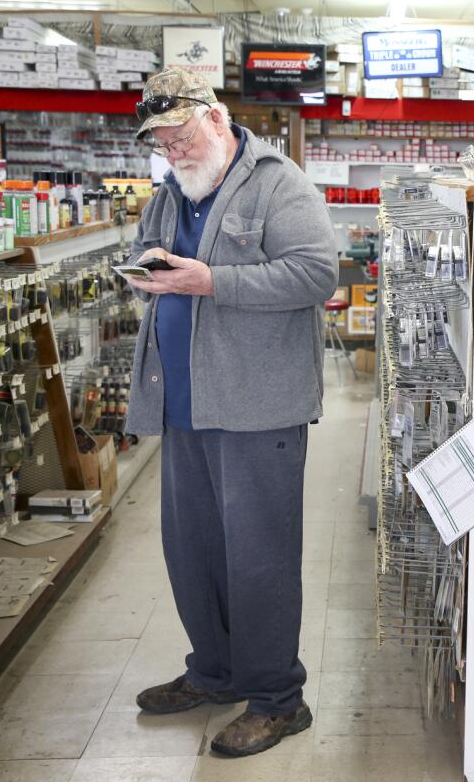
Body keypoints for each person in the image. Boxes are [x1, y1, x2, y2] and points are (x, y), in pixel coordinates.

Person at [122, 68, 337, 758]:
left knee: (260, 559)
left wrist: (211, 281)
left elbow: (316, 274)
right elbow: (149, 257)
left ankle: (278, 699)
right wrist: (143, 269)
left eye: (179, 135)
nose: (172, 150)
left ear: (214, 119)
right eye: (158, 141)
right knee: (194, 554)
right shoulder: (169, 193)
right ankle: (214, 672)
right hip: (185, 404)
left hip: (258, 408)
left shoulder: (279, 182)